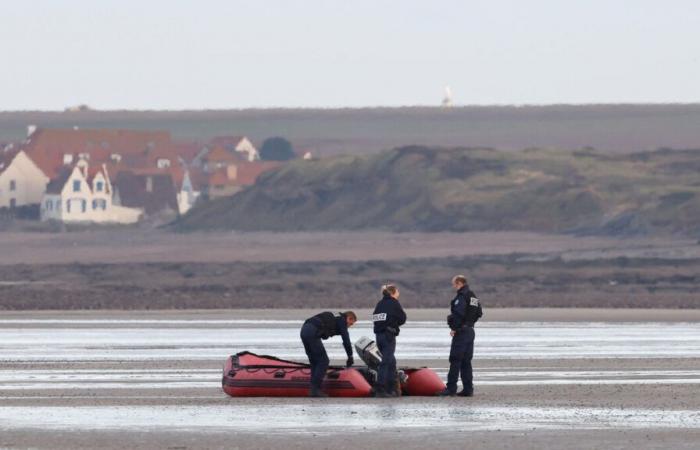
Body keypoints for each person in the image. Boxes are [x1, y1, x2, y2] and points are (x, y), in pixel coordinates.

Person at [439, 275, 482, 397]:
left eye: (454, 284)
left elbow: (458, 314)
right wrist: (469, 323)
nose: (453, 286)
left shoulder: (462, 296)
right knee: (466, 361)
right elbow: (479, 312)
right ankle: (468, 389)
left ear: (459, 283)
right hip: (470, 331)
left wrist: (455, 327)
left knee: (455, 360)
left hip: (462, 332)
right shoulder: (472, 296)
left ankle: (451, 388)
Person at [300, 310, 357, 397]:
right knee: (323, 361)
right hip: (312, 332)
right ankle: (315, 390)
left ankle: (313, 390)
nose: (350, 326)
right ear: (349, 318)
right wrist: (350, 356)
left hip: (304, 331)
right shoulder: (342, 321)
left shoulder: (336, 319)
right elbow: (346, 340)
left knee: (314, 362)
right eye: (351, 323)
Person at [372, 284, 406, 398]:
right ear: (393, 292)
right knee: (386, 362)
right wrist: (394, 323)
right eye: (397, 292)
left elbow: (376, 319)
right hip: (388, 336)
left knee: (391, 362)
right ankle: (380, 388)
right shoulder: (394, 303)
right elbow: (402, 318)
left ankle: (392, 388)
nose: (398, 294)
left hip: (379, 336)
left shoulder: (379, 304)